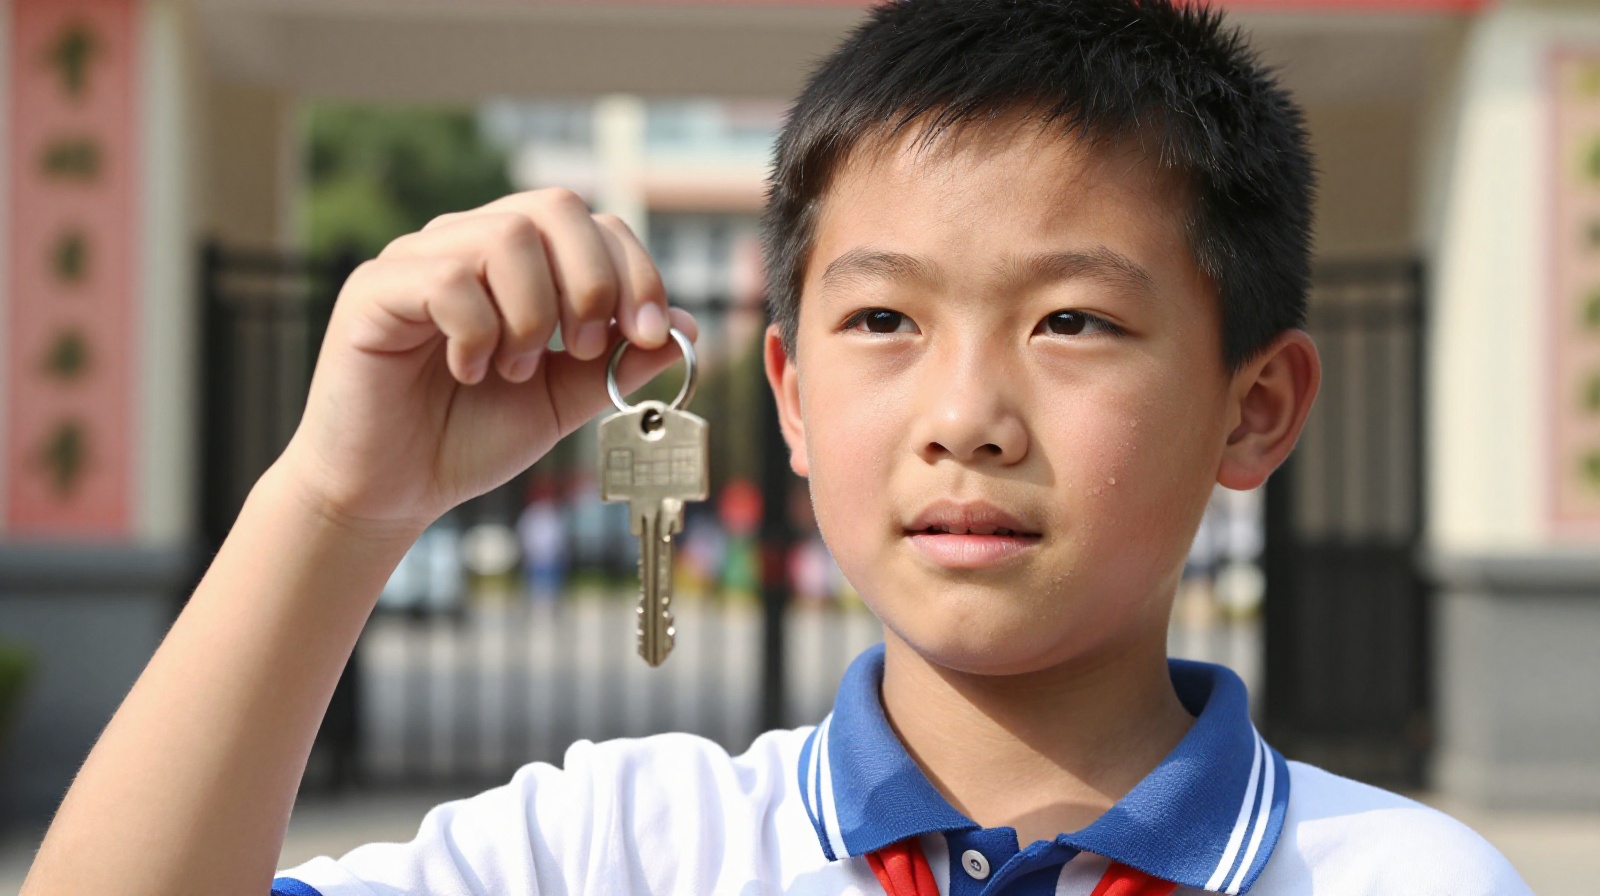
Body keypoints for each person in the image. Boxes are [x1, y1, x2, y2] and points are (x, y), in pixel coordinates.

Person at [21, 1, 1532, 894]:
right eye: (883, 321)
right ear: (790, 397)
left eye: (1071, 321)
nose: (966, 415)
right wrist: (339, 500)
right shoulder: (610, 849)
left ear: (1253, 408)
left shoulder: (1408, 880)